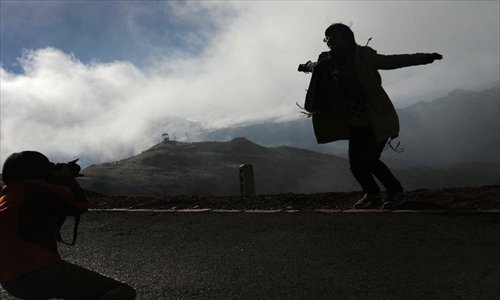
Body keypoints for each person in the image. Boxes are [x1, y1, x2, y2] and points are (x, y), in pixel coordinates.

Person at [299, 23, 443, 209]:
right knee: (356, 166)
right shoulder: (328, 62)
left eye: (331, 37)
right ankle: (373, 194)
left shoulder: (364, 56)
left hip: (375, 119)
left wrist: (424, 58)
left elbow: (392, 61)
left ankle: (397, 193)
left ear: (345, 37)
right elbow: (315, 67)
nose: (328, 41)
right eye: (326, 38)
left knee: (370, 161)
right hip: (355, 123)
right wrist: (305, 66)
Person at [0, 151, 136, 299]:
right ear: (38, 172)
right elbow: (80, 205)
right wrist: (67, 178)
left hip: (9, 279)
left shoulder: (8, 198)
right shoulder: (38, 191)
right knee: (121, 290)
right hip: (36, 271)